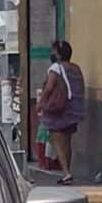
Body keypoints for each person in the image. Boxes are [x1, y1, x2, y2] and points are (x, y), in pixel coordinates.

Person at [38, 40, 85, 186]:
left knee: (57, 140)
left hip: (59, 110)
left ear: (58, 54)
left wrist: (41, 103)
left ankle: (66, 173)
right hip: (73, 110)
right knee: (67, 142)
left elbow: (50, 87)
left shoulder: (56, 68)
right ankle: (67, 171)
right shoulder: (76, 68)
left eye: (53, 51)